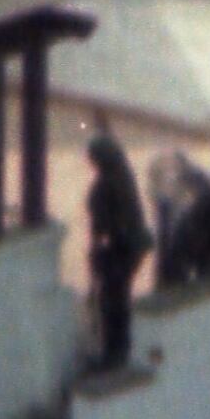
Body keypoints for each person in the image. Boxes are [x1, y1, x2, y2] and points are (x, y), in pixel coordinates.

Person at [81, 117, 149, 373]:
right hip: (133, 246)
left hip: (119, 249)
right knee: (118, 298)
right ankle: (119, 348)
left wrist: (96, 255)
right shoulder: (123, 176)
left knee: (112, 300)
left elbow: (100, 227)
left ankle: (114, 354)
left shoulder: (105, 186)